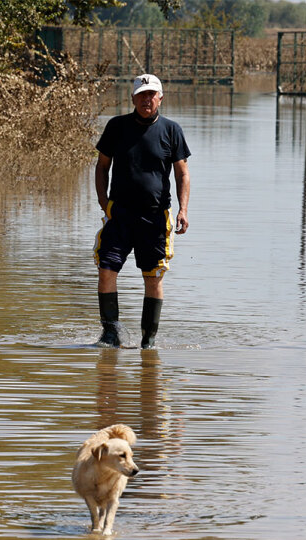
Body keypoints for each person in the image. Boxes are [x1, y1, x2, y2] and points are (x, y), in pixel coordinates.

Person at [93, 73, 191, 349]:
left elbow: (182, 173)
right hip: (119, 214)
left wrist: (183, 209)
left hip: (155, 217)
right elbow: (102, 166)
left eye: (152, 94)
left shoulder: (171, 130)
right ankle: (110, 334)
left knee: (153, 277)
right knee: (106, 270)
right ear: (133, 98)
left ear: (160, 97)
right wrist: (104, 202)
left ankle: (148, 341)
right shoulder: (116, 127)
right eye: (142, 94)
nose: (147, 99)